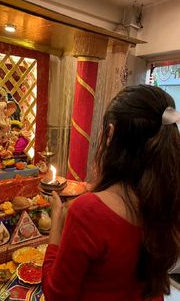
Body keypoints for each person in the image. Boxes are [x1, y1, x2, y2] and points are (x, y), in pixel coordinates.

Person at [42, 85, 180, 301]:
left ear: (110, 133)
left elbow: (56, 295)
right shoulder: (168, 201)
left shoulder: (87, 212)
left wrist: (56, 228)